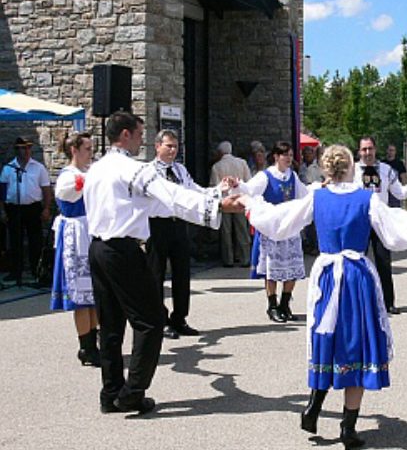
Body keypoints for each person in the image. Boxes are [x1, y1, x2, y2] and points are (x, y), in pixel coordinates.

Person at [243, 144, 407, 450]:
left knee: (326, 338)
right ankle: (347, 428)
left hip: (328, 275)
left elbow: (279, 221)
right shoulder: (366, 198)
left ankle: (314, 407)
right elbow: (395, 232)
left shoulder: (315, 196)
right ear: (351, 167)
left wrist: (250, 203)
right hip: (356, 276)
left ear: (327, 169)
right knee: (355, 344)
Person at [83, 111, 240, 414]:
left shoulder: (98, 169)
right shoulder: (133, 169)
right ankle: (132, 392)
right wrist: (217, 205)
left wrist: (214, 195)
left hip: (98, 248)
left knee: (112, 324)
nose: (143, 139)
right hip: (122, 250)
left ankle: (111, 392)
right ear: (125, 135)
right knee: (151, 320)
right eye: (140, 133)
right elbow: (168, 195)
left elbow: (160, 201)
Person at [146, 129, 217, 339]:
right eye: (168, 146)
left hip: (178, 225)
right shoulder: (149, 171)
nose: (172, 150)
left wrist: (217, 191)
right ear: (157, 146)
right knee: (156, 275)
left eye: (175, 146)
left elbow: (194, 190)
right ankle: (160, 320)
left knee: (182, 273)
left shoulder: (180, 170)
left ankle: (180, 318)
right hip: (157, 225)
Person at [237, 141, 307, 322]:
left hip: (289, 227)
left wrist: (320, 190)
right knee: (272, 269)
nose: (289, 159)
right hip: (272, 227)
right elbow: (249, 189)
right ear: (276, 156)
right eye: (285, 155)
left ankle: (285, 304)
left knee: (291, 267)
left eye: (291, 155)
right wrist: (236, 185)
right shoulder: (265, 176)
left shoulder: (293, 176)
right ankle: (272, 305)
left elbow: (305, 195)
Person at [50, 132, 100, 367]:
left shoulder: (88, 172)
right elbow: (66, 193)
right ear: (75, 150)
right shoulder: (68, 177)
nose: (92, 153)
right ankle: (86, 347)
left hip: (90, 232)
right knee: (81, 296)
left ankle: (93, 341)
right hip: (75, 235)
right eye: (88, 149)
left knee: (94, 295)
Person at [354, 136, 407, 314]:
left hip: (380, 220)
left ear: (375, 149)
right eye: (364, 149)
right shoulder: (351, 171)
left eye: (370, 149)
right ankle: (360, 302)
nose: (367, 153)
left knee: (384, 262)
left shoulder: (386, 170)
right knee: (358, 262)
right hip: (359, 222)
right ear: (359, 151)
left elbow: (400, 193)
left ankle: (388, 302)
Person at [0, 136, 53, 285]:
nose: (27, 151)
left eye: (29, 147)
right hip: (14, 208)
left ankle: (37, 270)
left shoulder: (38, 167)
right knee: (15, 240)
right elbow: (2, 192)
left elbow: (46, 189)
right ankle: (16, 271)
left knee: (35, 240)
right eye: (23, 148)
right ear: (17, 150)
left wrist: (47, 208)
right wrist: (3, 211)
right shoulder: (8, 169)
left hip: (33, 207)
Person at [210, 141, 252, 267]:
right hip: (240, 199)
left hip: (225, 201)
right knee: (242, 230)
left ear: (220, 152)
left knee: (226, 232)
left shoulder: (217, 166)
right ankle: (245, 258)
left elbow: (214, 186)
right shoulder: (242, 163)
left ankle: (228, 260)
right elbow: (249, 181)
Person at [384, 143, 407, 208]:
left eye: (392, 150)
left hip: (395, 191)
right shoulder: (383, 163)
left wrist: (403, 190)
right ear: (387, 151)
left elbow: (404, 177)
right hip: (385, 191)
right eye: (389, 150)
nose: (390, 152)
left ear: (395, 152)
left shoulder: (399, 164)